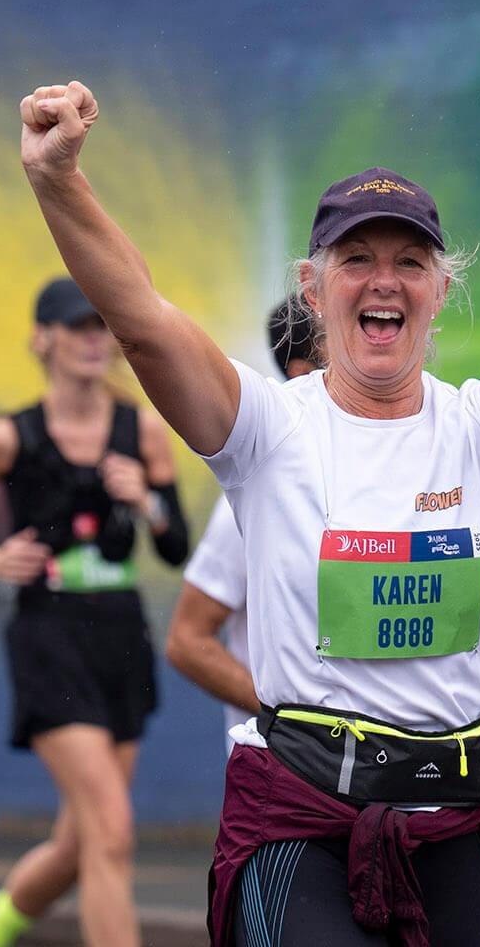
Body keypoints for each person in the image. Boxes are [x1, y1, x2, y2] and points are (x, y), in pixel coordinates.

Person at [16, 78, 480, 946]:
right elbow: (141, 321)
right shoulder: (264, 428)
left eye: (410, 262)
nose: (385, 282)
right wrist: (57, 180)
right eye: (357, 260)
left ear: (440, 288)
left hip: (452, 818)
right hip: (301, 817)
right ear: (314, 286)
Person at [0, 277, 191, 947]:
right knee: (112, 831)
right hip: (48, 636)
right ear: (42, 339)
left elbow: (175, 545)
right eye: (77, 328)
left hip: (120, 637)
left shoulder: (143, 432)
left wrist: (148, 501)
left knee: (82, 842)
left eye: (100, 328)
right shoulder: (8, 438)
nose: (92, 341)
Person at [166, 297, 324, 728]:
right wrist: (295, 724)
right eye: (349, 339)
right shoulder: (261, 492)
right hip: (284, 780)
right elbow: (186, 639)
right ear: (302, 373)